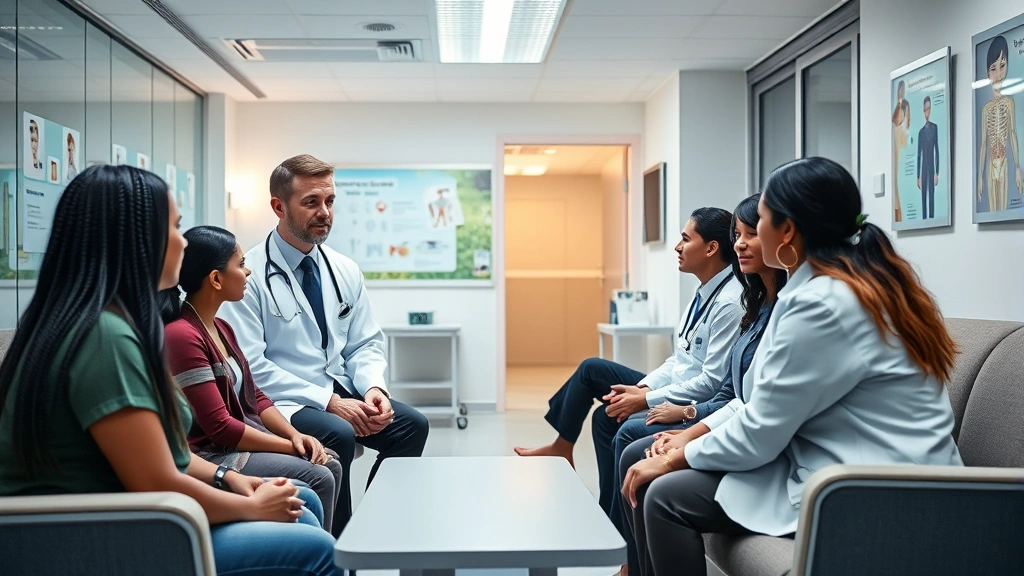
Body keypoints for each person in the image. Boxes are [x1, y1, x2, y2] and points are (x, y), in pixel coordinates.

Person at [619, 157, 963, 576]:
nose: (746, 237)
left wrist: (677, 457)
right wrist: (687, 444)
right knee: (657, 476)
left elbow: (763, 428)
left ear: (787, 232)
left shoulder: (824, 304)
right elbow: (762, 402)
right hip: (853, 467)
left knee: (665, 495)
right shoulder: (849, 285)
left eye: (759, 220)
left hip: (874, 489)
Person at [0, 165, 338, 576]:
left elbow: (167, 457)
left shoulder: (91, 322)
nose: (183, 241)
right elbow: (157, 479)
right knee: (315, 544)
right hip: (99, 536)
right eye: (175, 228)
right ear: (137, 242)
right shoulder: (105, 338)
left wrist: (225, 478)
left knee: (305, 503)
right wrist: (248, 506)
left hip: (121, 513)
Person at [220, 154, 429, 536]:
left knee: (411, 426)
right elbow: (251, 366)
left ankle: (378, 531)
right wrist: (330, 401)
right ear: (278, 207)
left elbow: (365, 341)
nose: (325, 212)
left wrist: (373, 388)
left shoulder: (343, 268)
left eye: (330, 201)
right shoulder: (247, 275)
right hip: (284, 400)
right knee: (338, 433)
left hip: (340, 387)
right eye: (311, 202)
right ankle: (339, 541)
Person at [514, 207, 744, 524]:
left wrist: (644, 400)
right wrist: (642, 388)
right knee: (591, 369)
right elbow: (679, 359)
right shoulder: (702, 292)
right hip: (671, 385)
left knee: (605, 419)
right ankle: (563, 448)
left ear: (711, 248)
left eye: (685, 239)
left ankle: (614, 521)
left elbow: (711, 384)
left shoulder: (730, 303)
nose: (678, 247)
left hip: (693, 401)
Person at [610, 194, 787, 576]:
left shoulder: (791, 311)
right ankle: (632, 563)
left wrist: (686, 436)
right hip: (729, 421)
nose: (739, 242)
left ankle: (629, 562)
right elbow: (733, 391)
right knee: (629, 439)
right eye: (737, 234)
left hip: (779, 459)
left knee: (642, 459)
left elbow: (754, 407)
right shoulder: (758, 305)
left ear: (789, 235)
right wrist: (687, 425)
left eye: (752, 233)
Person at [162, 225, 344, 534]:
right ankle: (313, 555)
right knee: (321, 473)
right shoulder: (182, 335)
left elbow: (255, 396)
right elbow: (219, 426)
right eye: (241, 263)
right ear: (216, 279)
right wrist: (289, 446)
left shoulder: (222, 327)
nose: (248, 272)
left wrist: (293, 435)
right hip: (213, 454)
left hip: (235, 442)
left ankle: (321, 554)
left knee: (332, 461)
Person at [977, 35, 1022, 213]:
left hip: (1003, 162)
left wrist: (1017, 168)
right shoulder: (985, 109)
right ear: (988, 73)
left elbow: (1012, 134)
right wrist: (980, 177)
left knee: (1002, 210)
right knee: (993, 211)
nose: (997, 73)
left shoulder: (1009, 103)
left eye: (1002, 66)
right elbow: (983, 144)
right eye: (993, 68)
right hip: (990, 165)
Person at [917, 96, 939, 219]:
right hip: (923, 167)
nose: (927, 111)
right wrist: (918, 176)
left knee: (931, 194)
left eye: (929, 108)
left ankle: (931, 218)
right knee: (923, 196)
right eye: (925, 109)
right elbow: (918, 155)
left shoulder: (934, 128)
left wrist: (937, 172)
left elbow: (937, 150)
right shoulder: (921, 132)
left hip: (931, 166)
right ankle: (924, 218)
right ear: (923, 110)